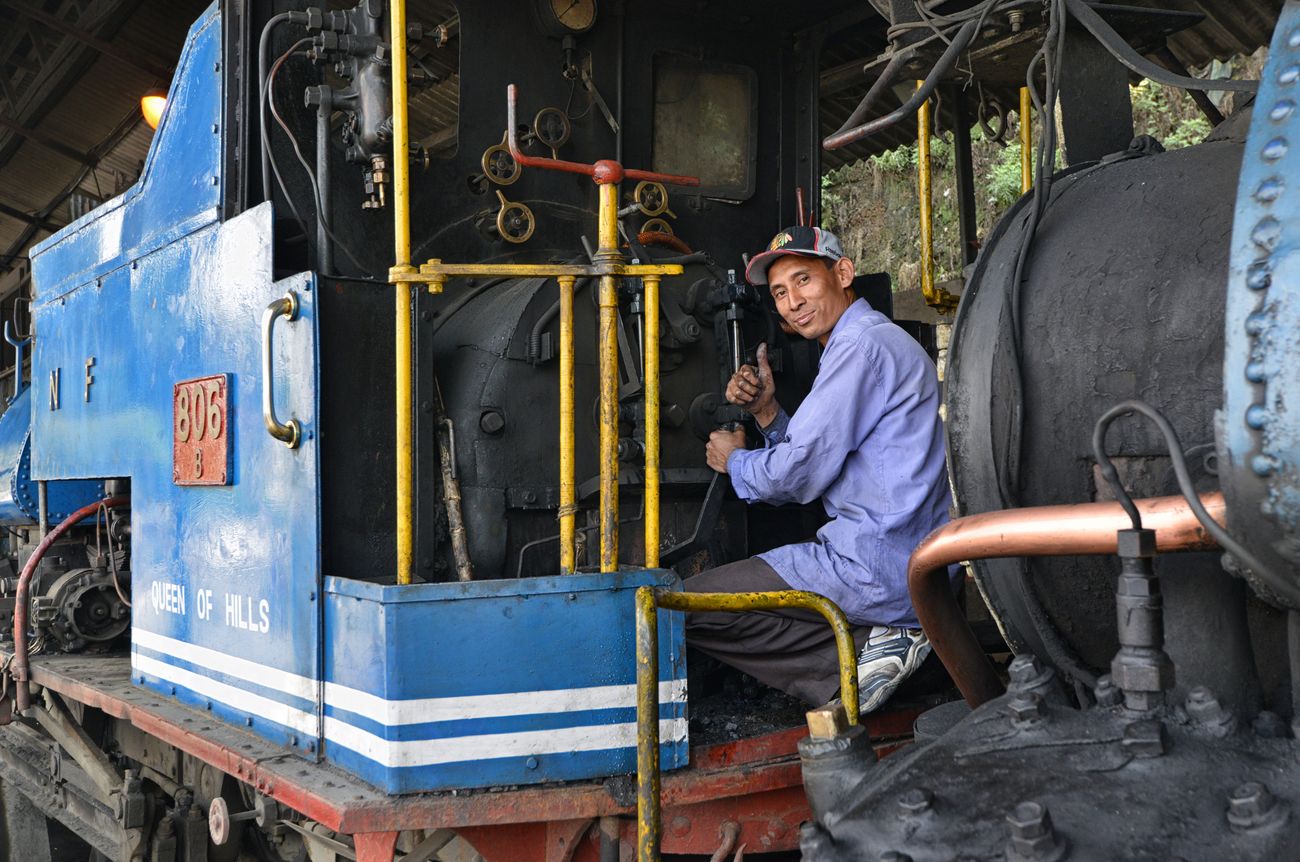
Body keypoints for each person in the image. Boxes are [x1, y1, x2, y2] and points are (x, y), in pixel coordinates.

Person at [685, 225, 955, 712]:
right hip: (902, 557)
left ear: (843, 273)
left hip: (877, 562)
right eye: (781, 293)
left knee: (683, 609)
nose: (792, 302)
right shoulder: (862, 343)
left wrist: (735, 460)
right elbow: (821, 451)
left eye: (803, 280)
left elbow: (797, 475)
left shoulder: (861, 348)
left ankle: (866, 654)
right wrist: (768, 413)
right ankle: (879, 646)